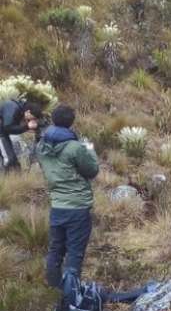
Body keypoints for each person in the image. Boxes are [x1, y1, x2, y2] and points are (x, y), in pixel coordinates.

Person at [37, 105, 99, 288]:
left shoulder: (42, 146)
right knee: (74, 254)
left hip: (57, 206)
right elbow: (92, 170)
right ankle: (72, 300)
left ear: (54, 119)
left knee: (55, 251)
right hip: (78, 208)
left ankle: (55, 294)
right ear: (71, 122)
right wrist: (89, 150)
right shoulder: (75, 147)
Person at [0, 99, 43, 170]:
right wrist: (27, 127)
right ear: (28, 112)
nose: (32, 120)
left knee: (12, 158)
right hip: (2, 134)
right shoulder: (12, 107)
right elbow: (7, 127)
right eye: (33, 118)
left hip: (3, 133)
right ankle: (6, 177)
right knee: (9, 158)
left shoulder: (19, 109)